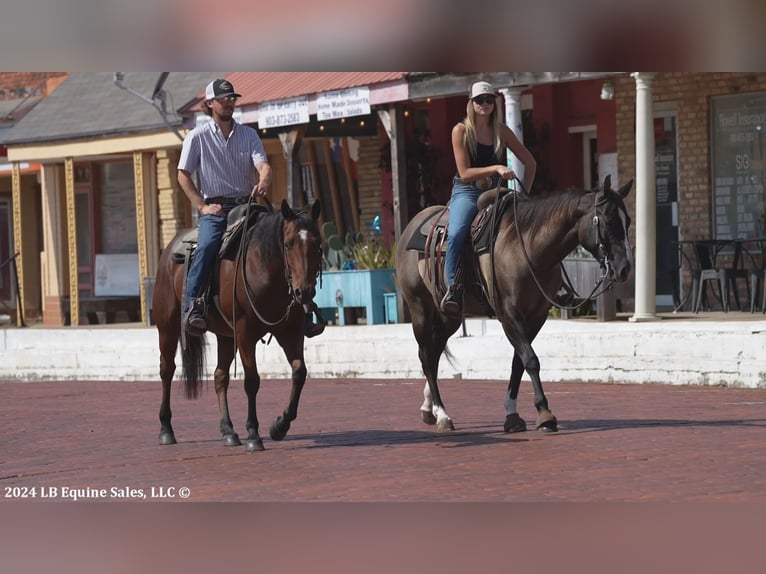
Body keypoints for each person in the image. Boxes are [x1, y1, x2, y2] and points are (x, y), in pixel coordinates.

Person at [178, 78, 324, 337]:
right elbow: (183, 175)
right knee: (208, 246)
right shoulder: (196, 137)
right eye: (223, 100)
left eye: (232, 99)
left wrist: (265, 180)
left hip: (248, 205)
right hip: (216, 209)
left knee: (281, 243)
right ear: (210, 104)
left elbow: (263, 166)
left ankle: (303, 307)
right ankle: (194, 306)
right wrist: (201, 205)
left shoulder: (248, 135)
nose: (229, 103)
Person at [440, 81, 537, 316]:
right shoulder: (461, 130)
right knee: (457, 232)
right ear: (471, 104)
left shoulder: (501, 131)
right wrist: (496, 168)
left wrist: (525, 195)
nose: (485, 104)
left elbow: (530, 162)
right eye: (479, 100)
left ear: (494, 103)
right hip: (467, 191)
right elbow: (464, 173)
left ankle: (541, 283)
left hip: (497, 191)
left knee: (528, 228)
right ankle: (451, 287)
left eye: (489, 100)